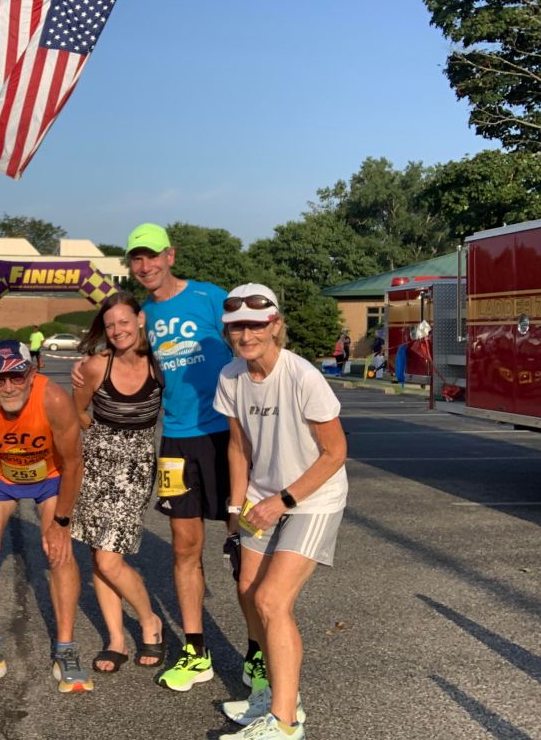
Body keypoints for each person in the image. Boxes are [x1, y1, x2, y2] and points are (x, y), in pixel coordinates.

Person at [74, 222, 238, 692]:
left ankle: (257, 651)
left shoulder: (210, 297)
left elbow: (249, 349)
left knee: (242, 544)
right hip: (175, 445)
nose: (144, 266)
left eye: (152, 256)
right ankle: (194, 649)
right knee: (185, 548)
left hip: (227, 436)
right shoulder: (141, 316)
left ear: (170, 255)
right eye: (136, 259)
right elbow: (115, 367)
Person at [213, 284, 347, 740]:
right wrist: (237, 507)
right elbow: (238, 446)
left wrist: (282, 501)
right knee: (248, 592)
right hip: (261, 498)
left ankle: (285, 723)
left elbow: (334, 453)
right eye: (236, 327)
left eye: (255, 324)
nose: (245, 334)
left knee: (273, 600)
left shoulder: (303, 376)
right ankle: (272, 696)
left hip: (313, 499)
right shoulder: (230, 377)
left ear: (274, 326)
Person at [0, 341, 90, 693]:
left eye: (17, 375)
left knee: (59, 551)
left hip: (50, 477)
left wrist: (61, 523)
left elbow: (74, 463)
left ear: (31, 373)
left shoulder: (54, 400)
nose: (9, 386)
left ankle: (66, 647)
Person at [71, 292, 165, 673]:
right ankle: (115, 639)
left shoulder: (160, 363)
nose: (117, 330)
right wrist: (99, 439)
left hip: (137, 463)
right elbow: (75, 409)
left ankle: (149, 620)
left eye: (124, 322)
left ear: (140, 320)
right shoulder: (95, 366)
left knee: (110, 558)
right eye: (110, 325)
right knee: (100, 553)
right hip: (95, 462)